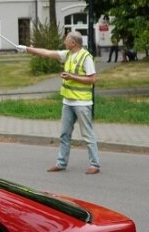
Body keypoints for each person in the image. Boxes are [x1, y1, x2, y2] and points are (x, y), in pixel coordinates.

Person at [15, 31, 101, 174]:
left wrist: (72, 77)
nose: (64, 42)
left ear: (73, 43)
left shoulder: (86, 57)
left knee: (88, 135)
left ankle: (95, 164)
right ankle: (61, 163)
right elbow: (47, 53)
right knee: (64, 134)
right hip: (67, 102)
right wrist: (27, 49)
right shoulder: (67, 54)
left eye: (66, 39)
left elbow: (92, 79)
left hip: (82, 103)